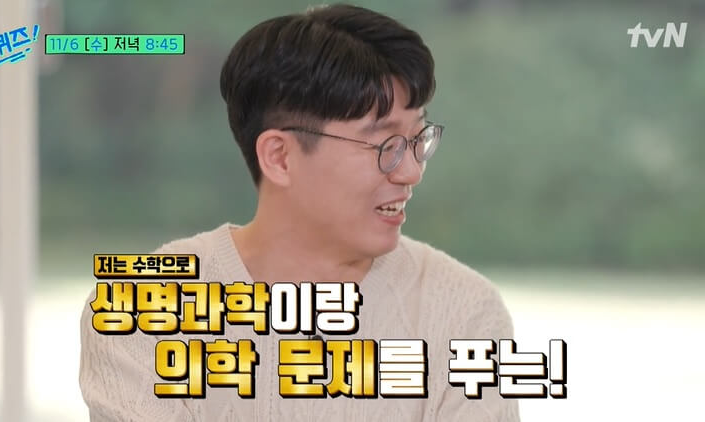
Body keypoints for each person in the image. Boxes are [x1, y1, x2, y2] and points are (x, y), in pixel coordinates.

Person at [80, 4, 519, 421]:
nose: (411, 171)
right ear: (280, 157)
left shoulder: (464, 312)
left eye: (417, 139)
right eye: (385, 144)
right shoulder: (141, 311)